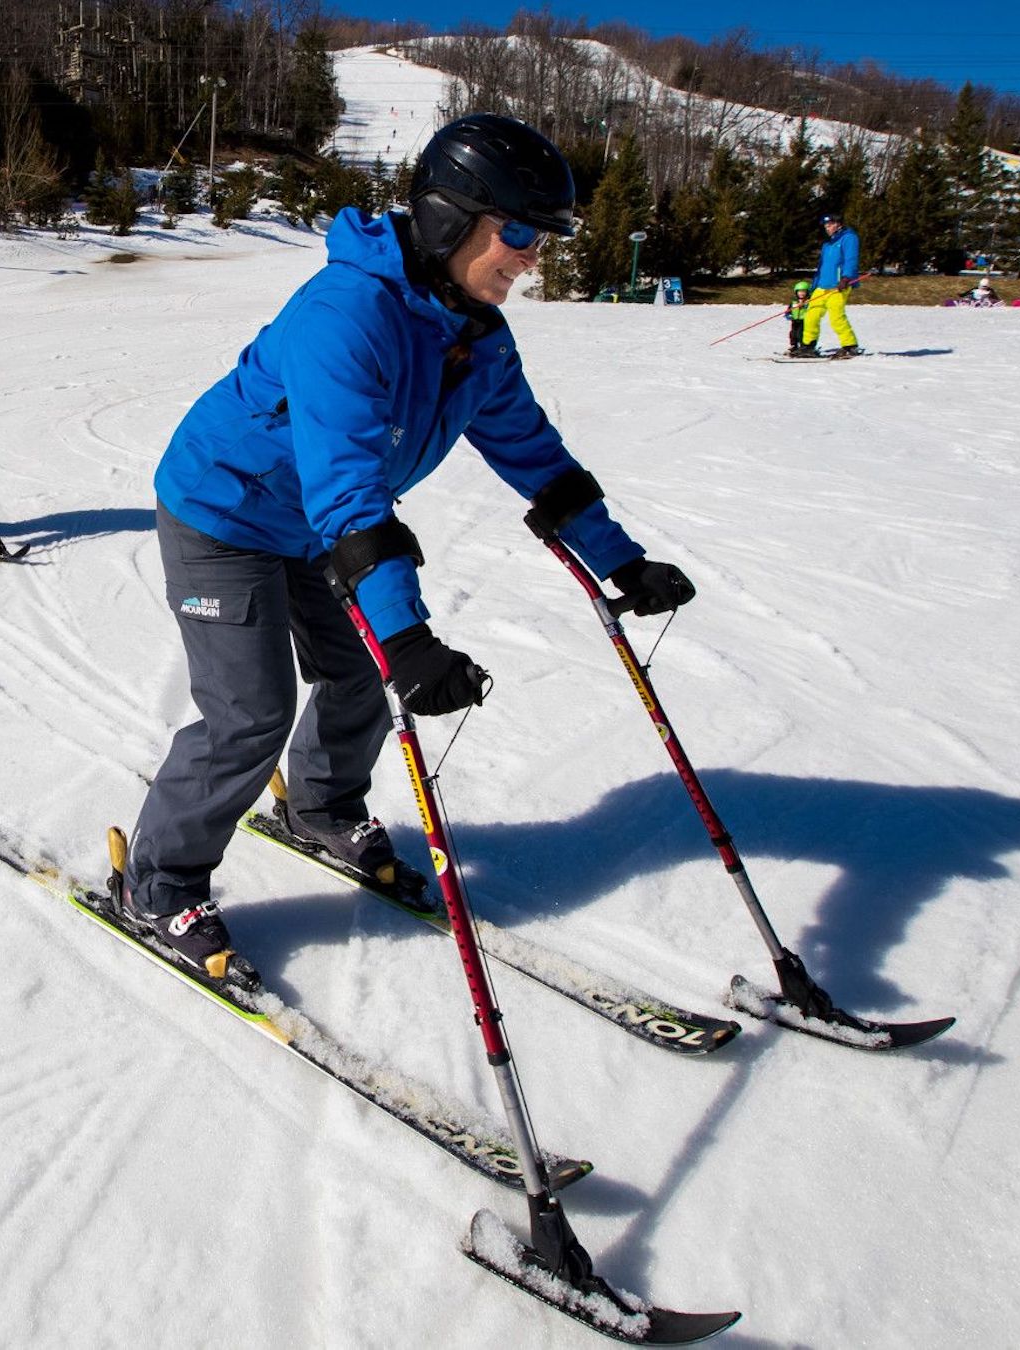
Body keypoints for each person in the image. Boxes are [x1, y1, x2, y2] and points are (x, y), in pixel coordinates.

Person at [123, 114, 698, 978]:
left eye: (544, 237)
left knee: (353, 671)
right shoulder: (345, 316)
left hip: (315, 524)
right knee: (251, 713)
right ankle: (159, 882)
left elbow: (536, 456)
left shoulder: (474, 336)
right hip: (224, 512)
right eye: (518, 232)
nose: (532, 254)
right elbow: (348, 486)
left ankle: (320, 805)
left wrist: (620, 559)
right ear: (448, 219)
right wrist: (408, 636)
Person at [791, 213, 862, 358]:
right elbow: (822, 267)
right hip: (822, 286)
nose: (827, 228)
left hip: (838, 286)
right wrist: (813, 287)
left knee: (836, 316)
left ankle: (850, 346)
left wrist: (846, 277)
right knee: (811, 315)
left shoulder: (849, 238)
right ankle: (808, 346)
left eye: (829, 225)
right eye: (825, 225)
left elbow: (851, 259)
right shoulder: (827, 244)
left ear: (838, 224)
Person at [785, 279, 814, 350]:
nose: (801, 294)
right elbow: (789, 309)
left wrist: (804, 305)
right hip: (795, 320)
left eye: (803, 292)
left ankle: (803, 346)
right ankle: (794, 345)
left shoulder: (809, 302)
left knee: (800, 334)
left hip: (804, 321)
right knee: (793, 334)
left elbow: (811, 309)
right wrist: (788, 315)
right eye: (799, 292)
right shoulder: (794, 302)